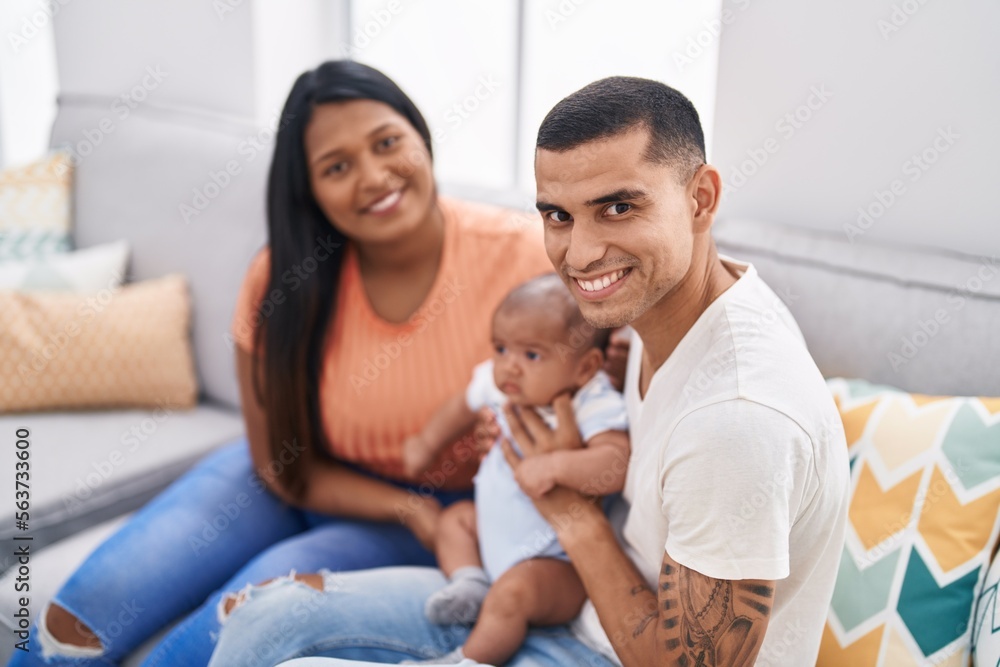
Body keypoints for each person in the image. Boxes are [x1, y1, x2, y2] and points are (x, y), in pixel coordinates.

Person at [206, 76, 850, 667]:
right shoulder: (661, 314)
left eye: (618, 208)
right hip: (567, 599)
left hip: (606, 650)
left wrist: (568, 509)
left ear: (700, 199)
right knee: (264, 620)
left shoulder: (737, 418)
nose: (582, 252)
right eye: (558, 215)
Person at [8, 61, 555, 667]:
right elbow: (279, 465)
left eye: (387, 143)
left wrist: (421, 508)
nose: (374, 177)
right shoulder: (282, 276)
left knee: (231, 621)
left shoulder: (527, 258)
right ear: (310, 189)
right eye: (337, 167)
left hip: (434, 517)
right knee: (78, 620)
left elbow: (595, 376)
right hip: (286, 475)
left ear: (420, 137)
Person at [400, 274, 629, 665]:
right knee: (454, 520)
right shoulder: (503, 383)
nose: (509, 367)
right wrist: (424, 444)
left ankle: (469, 660)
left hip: (556, 566)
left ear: (585, 366)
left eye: (532, 355)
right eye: (501, 348)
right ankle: (469, 581)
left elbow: (616, 462)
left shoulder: (592, 401)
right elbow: (462, 403)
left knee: (511, 595)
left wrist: (556, 466)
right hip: (491, 538)